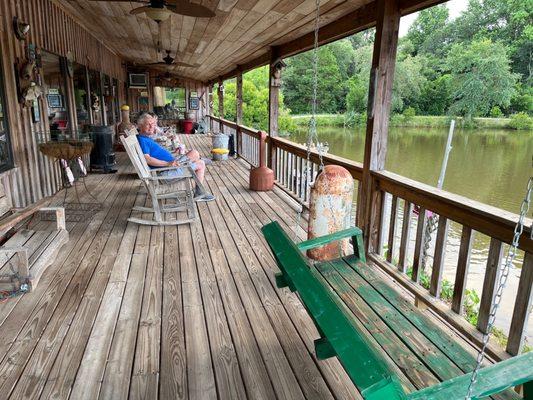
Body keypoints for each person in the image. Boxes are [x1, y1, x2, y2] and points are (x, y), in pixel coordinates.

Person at [136, 113, 215, 202]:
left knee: (194, 153)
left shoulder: (145, 137)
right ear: (140, 126)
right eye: (148, 124)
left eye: (153, 124)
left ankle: (196, 159)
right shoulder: (142, 140)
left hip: (171, 166)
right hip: (165, 173)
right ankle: (199, 193)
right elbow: (147, 159)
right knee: (201, 164)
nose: (151, 126)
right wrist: (168, 163)